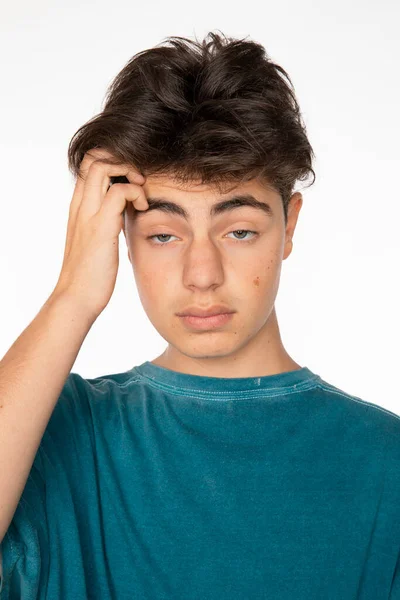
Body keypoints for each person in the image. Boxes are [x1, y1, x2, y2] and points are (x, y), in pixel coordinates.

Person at [0, 30, 399, 599]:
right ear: (120, 237)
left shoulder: (386, 462)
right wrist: (72, 295)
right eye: (164, 234)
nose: (202, 273)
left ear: (289, 227)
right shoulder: (52, 433)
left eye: (239, 230)